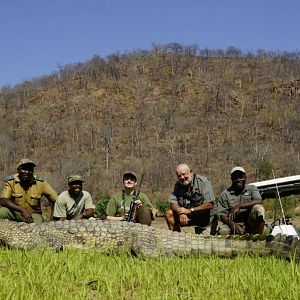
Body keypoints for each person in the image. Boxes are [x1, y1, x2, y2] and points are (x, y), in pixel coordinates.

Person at [0, 158, 58, 223]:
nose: (27, 172)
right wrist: (22, 210)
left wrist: (53, 220)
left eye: (29, 169)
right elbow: (3, 200)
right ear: (18, 170)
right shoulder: (11, 181)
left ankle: (43, 220)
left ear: (33, 171)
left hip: (34, 214)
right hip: (16, 212)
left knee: (39, 227)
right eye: (24, 169)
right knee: (2, 212)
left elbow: (56, 200)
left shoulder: (41, 182)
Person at [165, 163, 217, 235]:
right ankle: (178, 239)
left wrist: (189, 211)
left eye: (184, 174)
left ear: (191, 172)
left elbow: (210, 204)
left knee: (203, 244)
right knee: (169, 213)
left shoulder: (203, 182)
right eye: (179, 176)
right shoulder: (178, 185)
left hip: (205, 221)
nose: (182, 177)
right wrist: (181, 212)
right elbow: (172, 202)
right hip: (188, 218)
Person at [218, 166, 265, 235]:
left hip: (250, 222)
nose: (238, 179)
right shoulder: (225, 194)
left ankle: (259, 238)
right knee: (222, 231)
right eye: (235, 177)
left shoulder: (252, 188)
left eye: (241, 177)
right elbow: (222, 215)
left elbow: (259, 200)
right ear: (231, 178)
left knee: (259, 208)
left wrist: (239, 206)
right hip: (234, 223)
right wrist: (232, 224)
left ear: (245, 177)